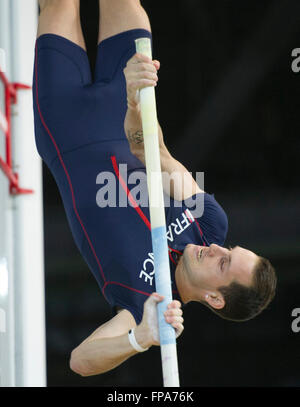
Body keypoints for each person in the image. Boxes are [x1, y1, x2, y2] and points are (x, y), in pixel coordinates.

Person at [33, 0, 277, 377]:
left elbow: (80, 360)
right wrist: (132, 100)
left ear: (214, 298)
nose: (216, 248)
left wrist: (141, 337)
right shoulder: (210, 223)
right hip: (124, 92)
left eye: (224, 262)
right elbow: (152, 152)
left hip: (66, 126)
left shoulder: (147, 304)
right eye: (228, 250)